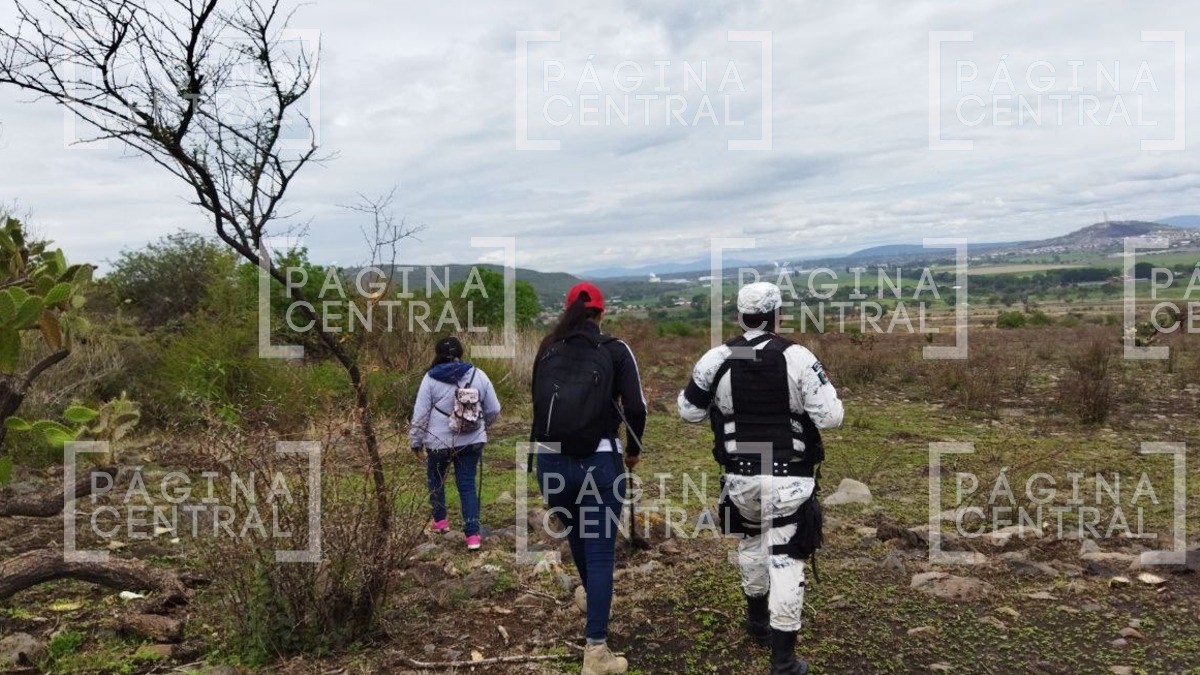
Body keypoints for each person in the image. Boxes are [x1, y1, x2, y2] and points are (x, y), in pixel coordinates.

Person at [677, 281, 844, 675]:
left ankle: (757, 623)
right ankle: (783, 660)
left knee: (750, 544)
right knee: (786, 561)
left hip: (739, 477)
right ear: (777, 316)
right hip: (790, 478)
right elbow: (831, 418)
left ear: (740, 316)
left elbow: (688, 410)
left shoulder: (718, 357)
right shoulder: (797, 357)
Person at [531, 282, 646, 675]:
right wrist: (633, 450)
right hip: (598, 462)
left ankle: (591, 601)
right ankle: (596, 650)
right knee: (599, 551)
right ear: (601, 314)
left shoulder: (547, 348)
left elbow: (537, 407)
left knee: (578, 537)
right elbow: (637, 407)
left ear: (567, 312)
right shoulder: (615, 349)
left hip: (549, 463)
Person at [410, 336, 501, 550]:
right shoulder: (478, 375)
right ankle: (472, 537)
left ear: (437, 354)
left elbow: (420, 415)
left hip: (438, 442)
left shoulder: (430, 379)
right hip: (472, 441)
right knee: (467, 485)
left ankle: (440, 522)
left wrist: (416, 442)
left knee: (436, 479)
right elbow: (494, 408)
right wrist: (481, 425)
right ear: (461, 353)